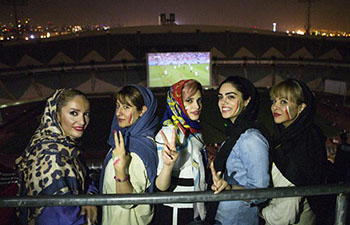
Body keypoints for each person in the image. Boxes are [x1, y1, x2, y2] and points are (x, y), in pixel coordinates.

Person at [15, 89, 97, 225]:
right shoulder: (49, 156)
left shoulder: (69, 149)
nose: (82, 121)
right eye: (74, 113)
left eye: (86, 114)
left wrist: (89, 199)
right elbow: (61, 217)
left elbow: (88, 181)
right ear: (56, 115)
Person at [261, 79, 328, 225]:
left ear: (301, 108)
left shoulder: (297, 146)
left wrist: (260, 212)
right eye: (274, 101)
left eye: (283, 102)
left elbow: (284, 215)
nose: (275, 107)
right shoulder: (306, 134)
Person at [210, 76, 270, 225]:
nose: (223, 102)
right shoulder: (235, 133)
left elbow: (260, 192)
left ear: (247, 101)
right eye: (220, 97)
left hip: (238, 219)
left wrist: (229, 188)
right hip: (224, 215)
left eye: (231, 97)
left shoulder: (251, 139)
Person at [100, 84, 159, 225]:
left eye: (126, 107)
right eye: (118, 105)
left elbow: (127, 202)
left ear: (143, 111)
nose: (119, 113)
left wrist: (120, 170)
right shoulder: (124, 141)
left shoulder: (137, 149)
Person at [153, 79, 207, 225]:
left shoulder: (195, 129)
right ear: (176, 103)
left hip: (196, 206)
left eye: (199, 100)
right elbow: (160, 187)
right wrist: (168, 165)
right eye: (189, 101)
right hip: (175, 210)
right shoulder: (168, 133)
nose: (197, 106)